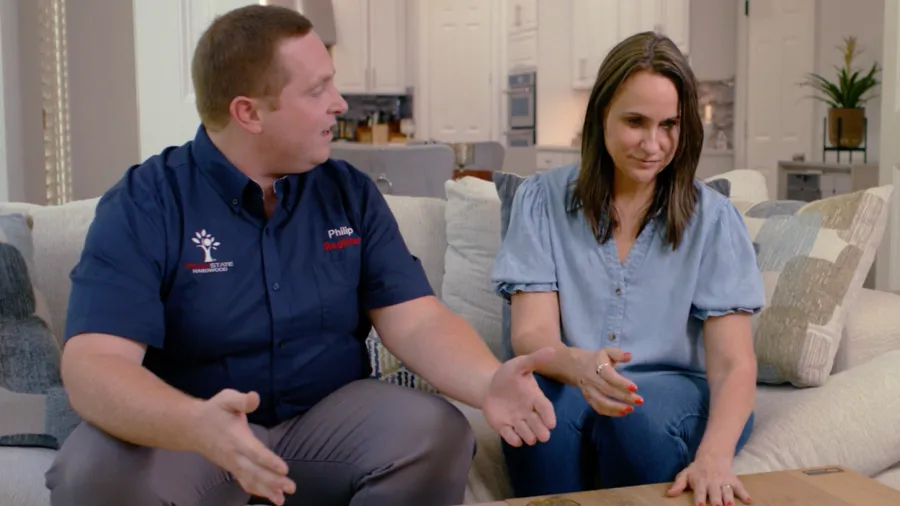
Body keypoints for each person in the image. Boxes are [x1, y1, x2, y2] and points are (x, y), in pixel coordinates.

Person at [45, 6, 556, 506]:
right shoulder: (146, 201)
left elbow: (418, 321)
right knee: (89, 473)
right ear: (249, 112)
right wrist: (190, 423)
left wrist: (488, 381)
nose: (339, 103)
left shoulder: (347, 193)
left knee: (434, 432)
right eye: (317, 90)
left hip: (325, 421)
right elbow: (96, 364)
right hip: (191, 429)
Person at [491, 31, 765, 506]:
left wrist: (715, 457)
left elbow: (732, 362)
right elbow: (532, 334)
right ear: (602, 117)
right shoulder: (541, 201)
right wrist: (579, 366)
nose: (653, 144)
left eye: (669, 125)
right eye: (636, 122)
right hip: (571, 375)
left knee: (632, 416)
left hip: (678, 394)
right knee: (536, 413)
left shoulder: (714, 219)